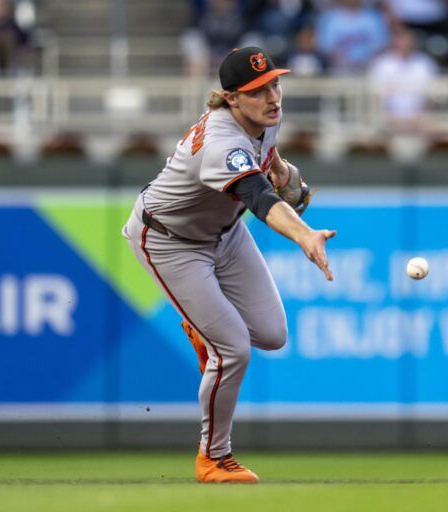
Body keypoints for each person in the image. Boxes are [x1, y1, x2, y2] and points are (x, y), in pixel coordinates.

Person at [122, 47, 335, 484]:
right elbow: (259, 198)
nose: (273, 96)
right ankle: (213, 458)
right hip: (169, 241)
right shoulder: (222, 142)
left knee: (273, 335)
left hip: (224, 234)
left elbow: (271, 169)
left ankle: (203, 326)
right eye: (258, 90)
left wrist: (283, 170)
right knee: (233, 349)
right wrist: (303, 235)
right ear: (232, 98)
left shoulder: (264, 121)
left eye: (275, 83)